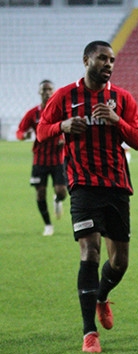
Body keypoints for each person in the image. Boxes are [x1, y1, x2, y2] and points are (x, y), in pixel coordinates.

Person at [37, 40, 138, 353]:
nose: (108, 64)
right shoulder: (64, 97)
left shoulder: (122, 99)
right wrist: (63, 125)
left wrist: (117, 120)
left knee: (119, 262)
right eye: (102, 58)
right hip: (83, 185)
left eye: (112, 60)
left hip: (117, 186)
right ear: (86, 60)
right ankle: (89, 333)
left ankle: (101, 296)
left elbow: (137, 140)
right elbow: (42, 130)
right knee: (90, 252)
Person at [16, 79, 68, 236]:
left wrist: (64, 139)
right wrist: (24, 135)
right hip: (40, 160)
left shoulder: (61, 111)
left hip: (58, 159)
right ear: (39, 92)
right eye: (44, 90)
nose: (47, 92)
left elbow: (70, 128)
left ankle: (57, 200)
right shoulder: (33, 113)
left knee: (61, 192)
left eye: (49, 89)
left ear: (54, 92)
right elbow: (20, 131)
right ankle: (48, 225)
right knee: (40, 193)